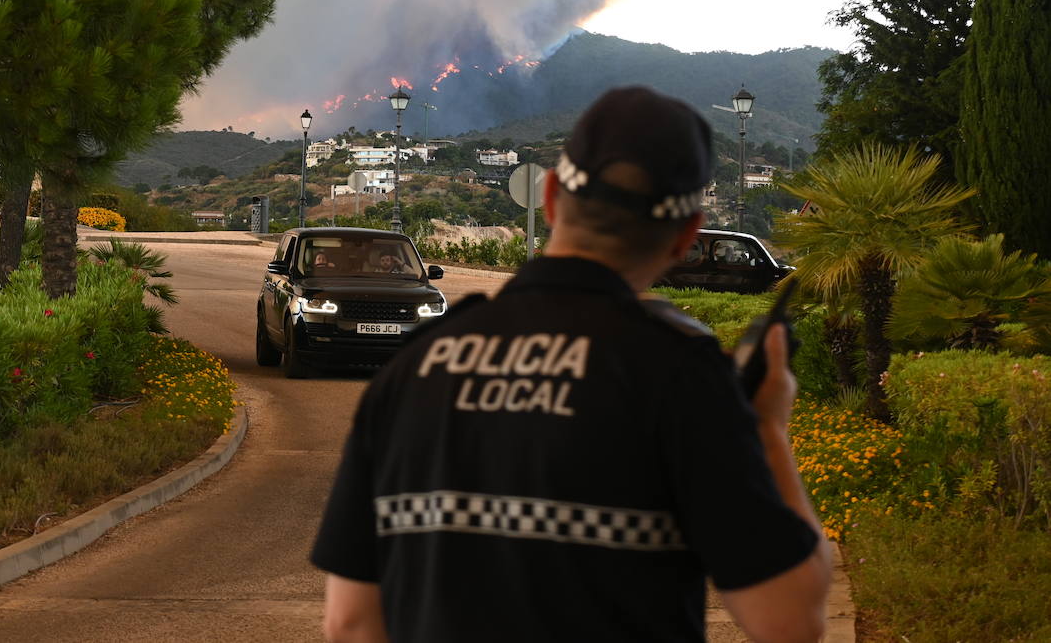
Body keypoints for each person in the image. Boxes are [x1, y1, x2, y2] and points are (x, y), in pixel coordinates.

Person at [311, 86, 830, 642]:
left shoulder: (415, 365)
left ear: (552, 198)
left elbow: (351, 623)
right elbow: (789, 621)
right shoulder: (680, 374)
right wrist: (770, 430)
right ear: (684, 236)